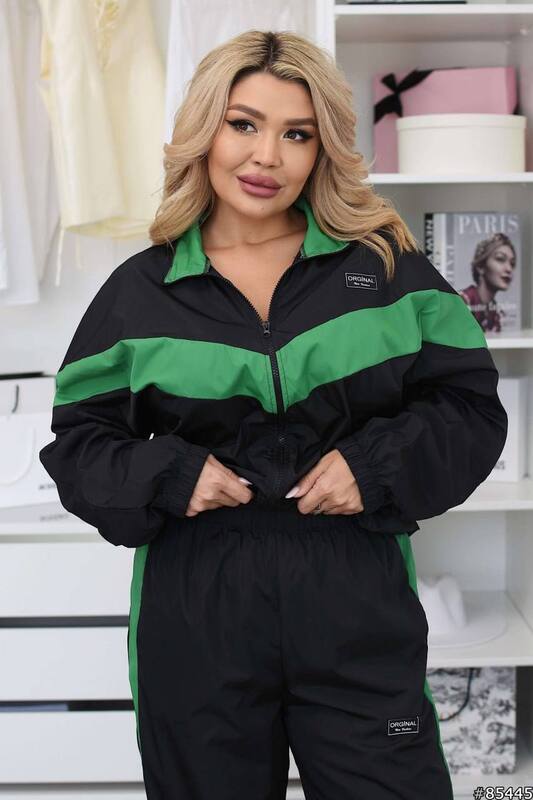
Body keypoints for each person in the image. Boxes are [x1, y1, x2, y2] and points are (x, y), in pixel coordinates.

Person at [39, 29, 508, 800]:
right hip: (197, 607)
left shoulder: (383, 272)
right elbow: (80, 445)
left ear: (322, 150)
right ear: (204, 129)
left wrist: (371, 466)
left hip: (355, 598)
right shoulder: (140, 293)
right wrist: (172, 474)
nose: (267, 157)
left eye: (297, 134)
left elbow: (467, 406)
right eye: (243, 124)